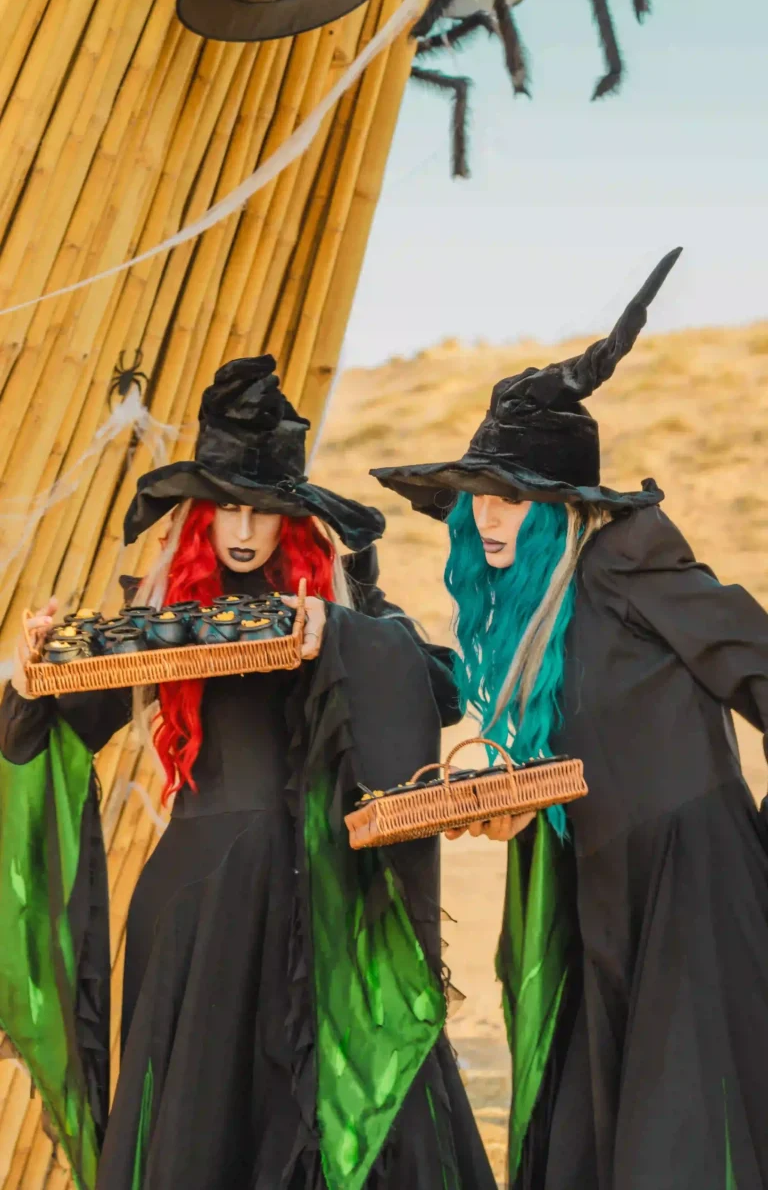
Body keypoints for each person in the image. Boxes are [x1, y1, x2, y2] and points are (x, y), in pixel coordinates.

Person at [0, 355, 496, 1190]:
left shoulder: (339, 599)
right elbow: (59, 730)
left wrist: (336, 631)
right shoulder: (160, 617)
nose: (241, 528)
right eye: (226, 506)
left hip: (326, 895)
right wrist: (27, 679)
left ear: (290, 518)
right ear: (198, 514)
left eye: (261, 510)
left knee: (369, 1116)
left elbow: (440, 691)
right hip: (202, 910)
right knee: (202, 1133)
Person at [370, 249, 768, 1190]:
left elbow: (755, 661)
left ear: (564, 506)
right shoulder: (521, 612)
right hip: (591, 892)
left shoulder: (627, 558)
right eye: (481, 497)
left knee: (681, 1141)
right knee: (594, 1142)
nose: (492, 517)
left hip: (690, 883)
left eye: (514, 497)